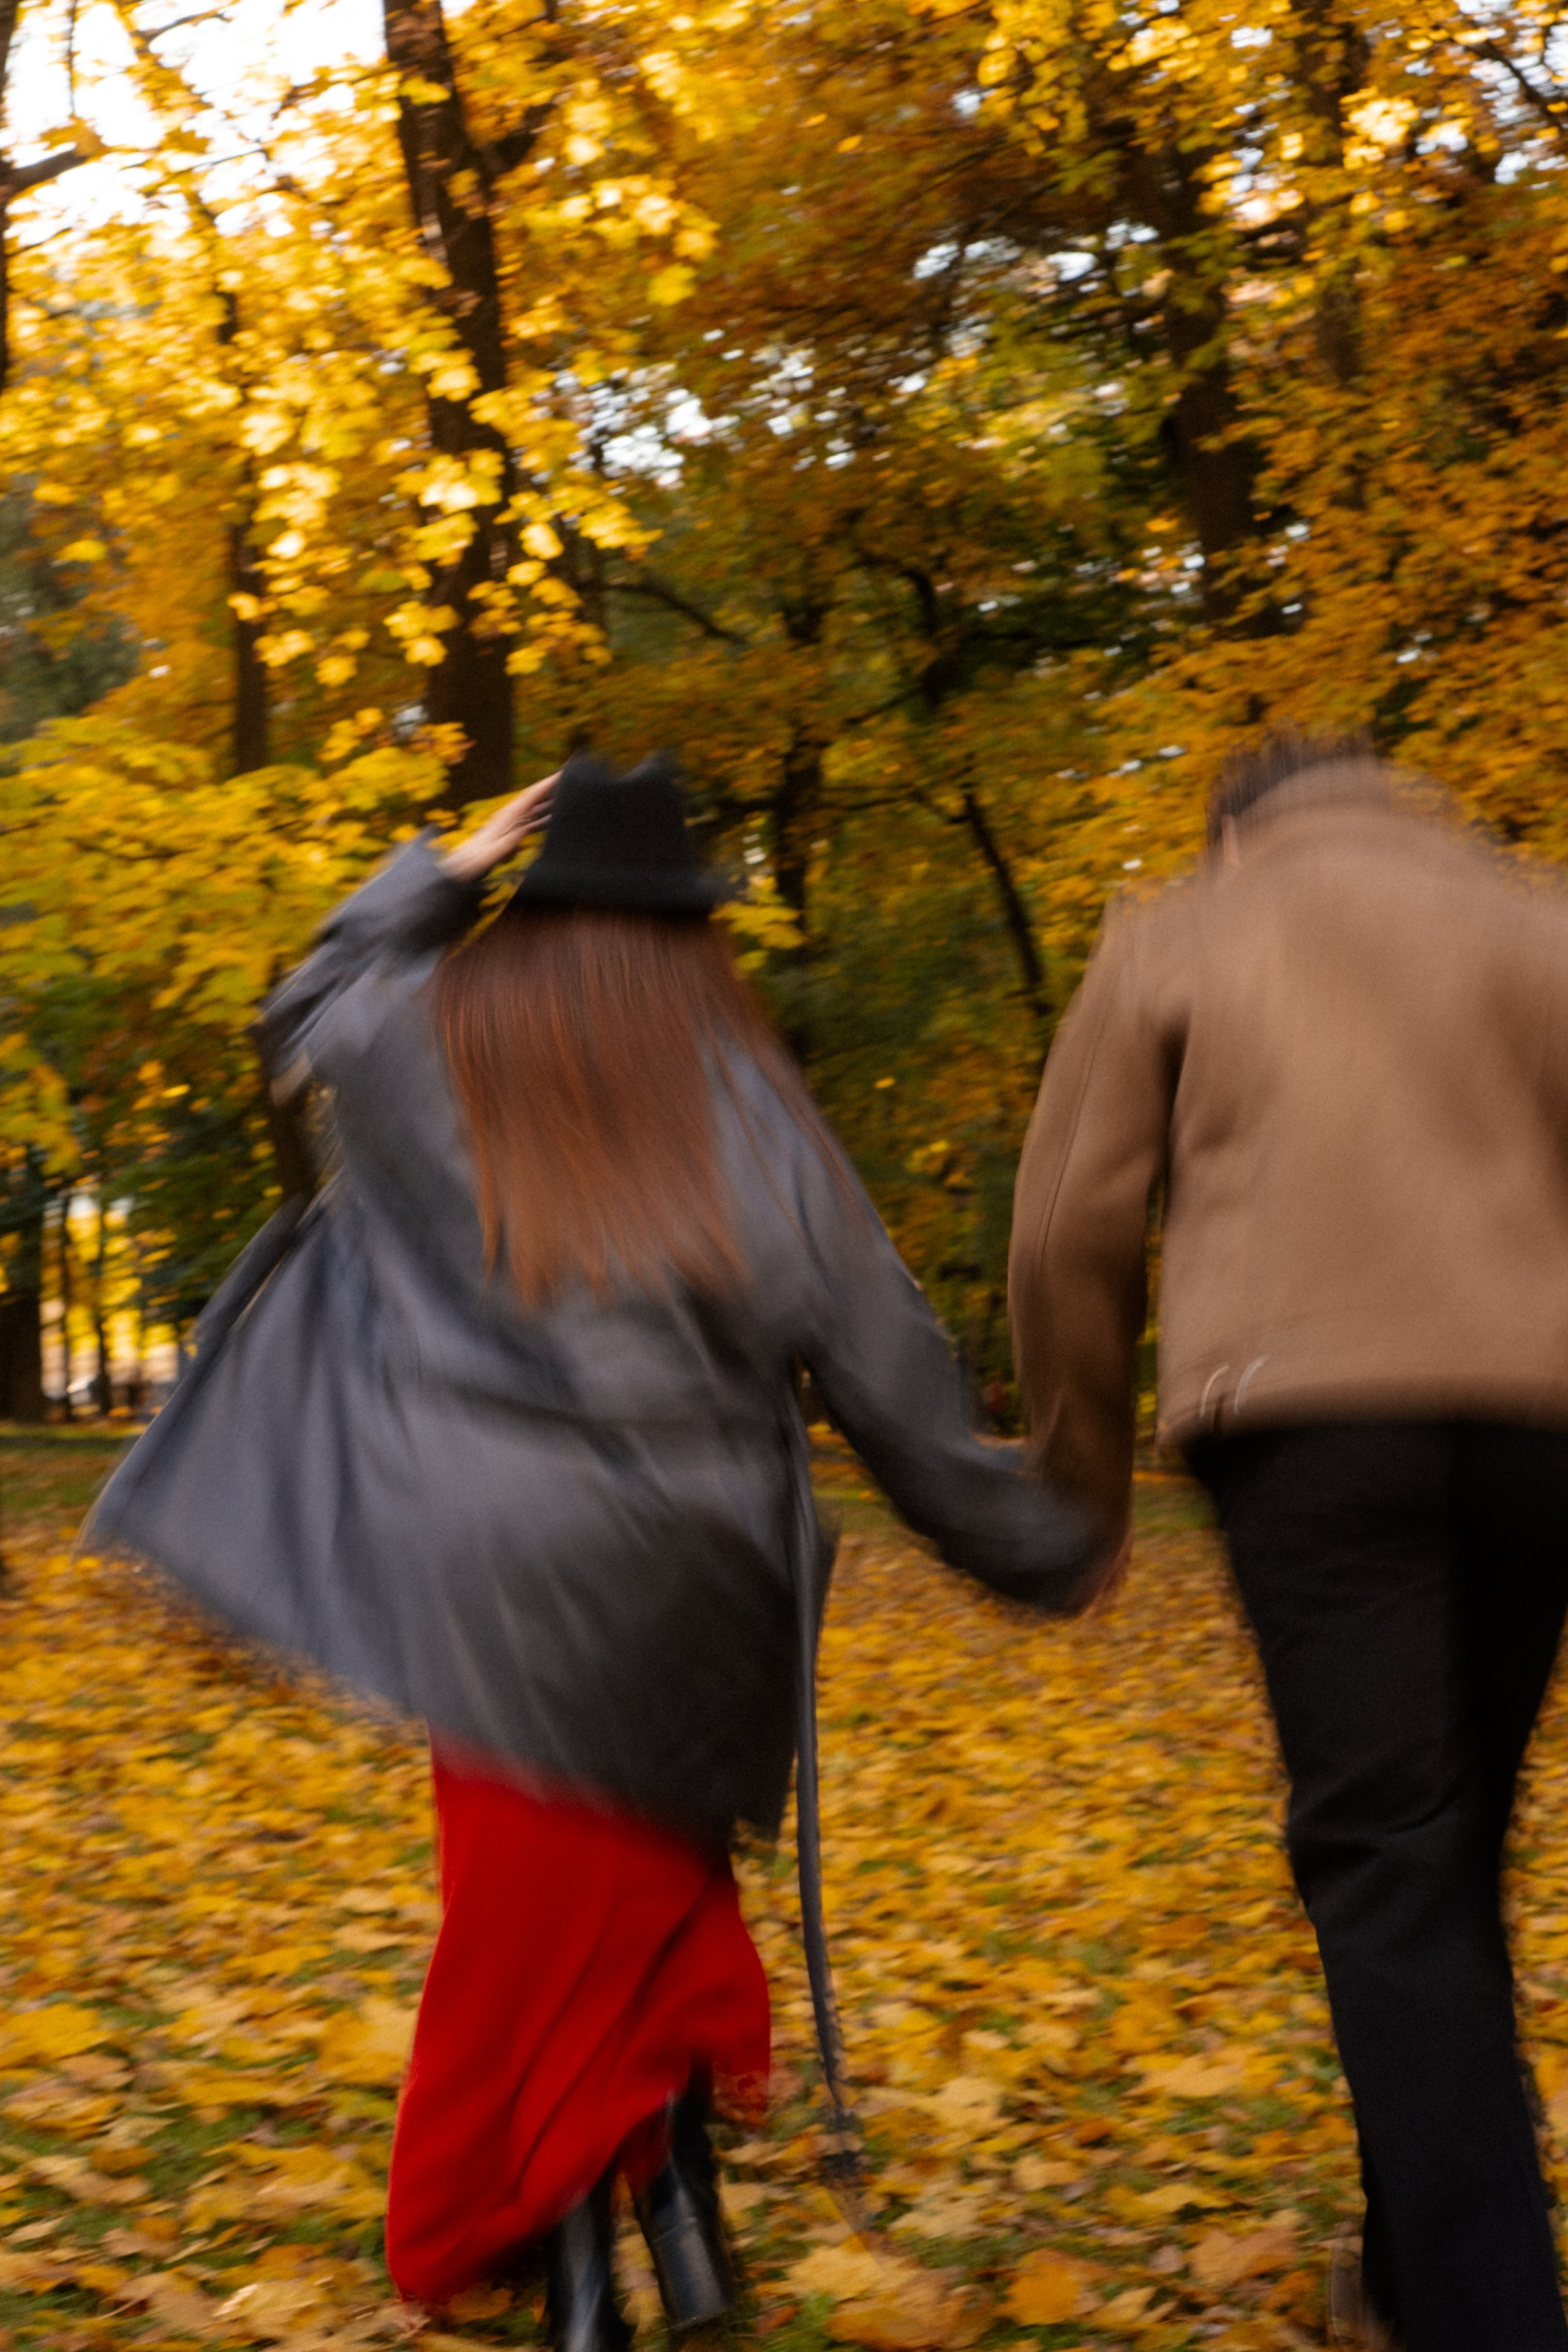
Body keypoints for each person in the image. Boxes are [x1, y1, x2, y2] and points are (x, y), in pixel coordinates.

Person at [92, 750, 1105, 2350]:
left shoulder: (430, 1041)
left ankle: (590, 2296)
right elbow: (887, 1367)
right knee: (637, 1903)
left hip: (487, 1569)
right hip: (700, 1585)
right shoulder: (754, 1103)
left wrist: (442, 873)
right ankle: (677, 2231)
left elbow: (306, 1011)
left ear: (535, 901)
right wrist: (1035, 1541)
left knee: (537, 1934)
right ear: (696, 930)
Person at [1008, 736, 1568, 2352]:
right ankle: (1409, 2268)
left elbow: (1065, 1230)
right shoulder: (1537, 919)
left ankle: (1486, 2317)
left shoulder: (1181, 928)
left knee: (1389, 1851)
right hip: (1541, 1428)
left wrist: (1083, 1487)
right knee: (1447, 1844)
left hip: (1311, 1428)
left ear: (1234, 837)